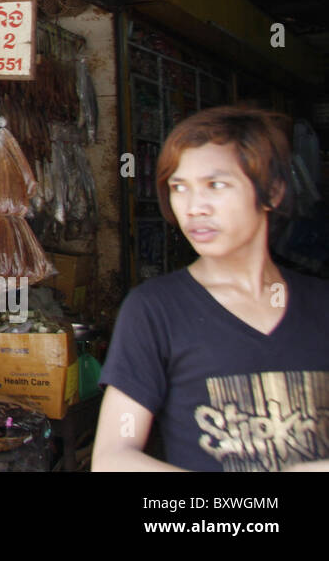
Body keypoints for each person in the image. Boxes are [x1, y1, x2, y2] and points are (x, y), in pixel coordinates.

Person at [93, 106, 329, 472]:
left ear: (273, 192)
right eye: (179, 187)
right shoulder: (154, 310)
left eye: (215, 185)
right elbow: (113, 458)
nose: (194, 207)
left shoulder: (321, 306)